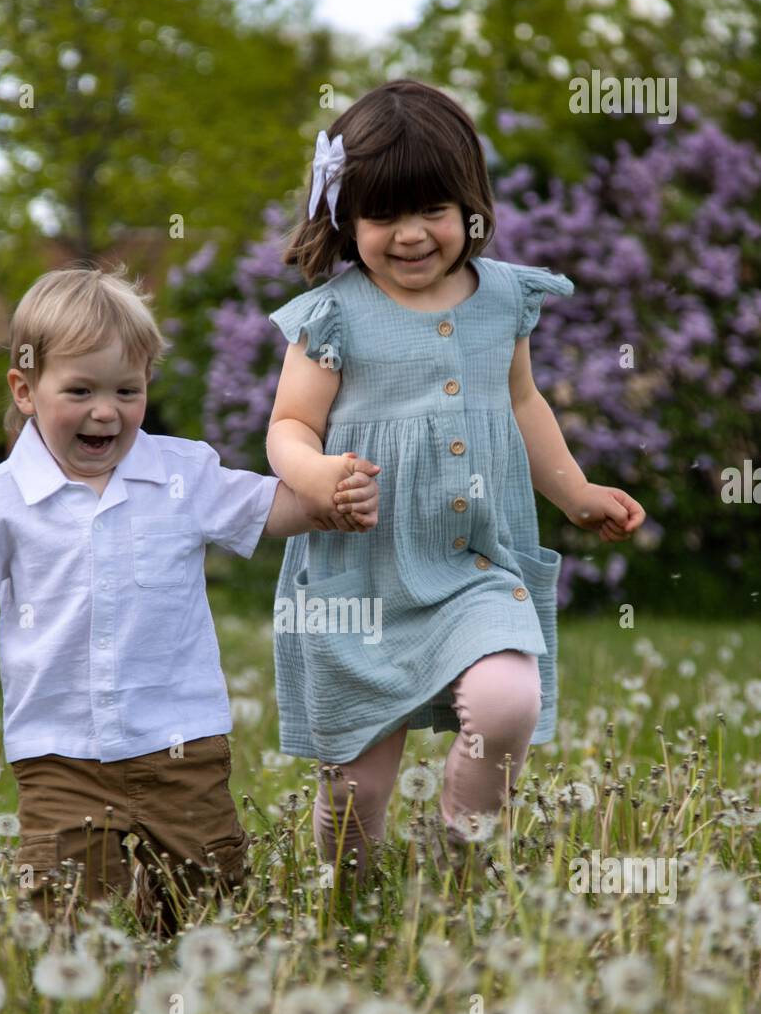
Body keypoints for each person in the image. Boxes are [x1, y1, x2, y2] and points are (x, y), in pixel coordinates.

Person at [0, 264, 379, 930]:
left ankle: (183, 986)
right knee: (65, 915)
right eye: (81, 390)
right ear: (25, 388)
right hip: (59, 752)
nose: (106, 411)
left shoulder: (182, 474)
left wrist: (332, 497)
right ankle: (86, 1010)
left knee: (207, 907)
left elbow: (269, 508)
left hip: (182, 745)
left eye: (128, 389)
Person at [266, 79, 646, 882]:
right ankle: (351, 900)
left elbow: (522, 402)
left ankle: (454, 862)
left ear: (471, 206)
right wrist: (321, 476)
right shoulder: (333, 314)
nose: (410, 236)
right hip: (358, 575)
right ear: (345, 218)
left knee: (509, 701)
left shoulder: (504, 297)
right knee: (355, 790)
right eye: (382, 216)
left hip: (473, 562)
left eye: (433, 210)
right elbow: (288, 428)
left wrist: (575, 493)